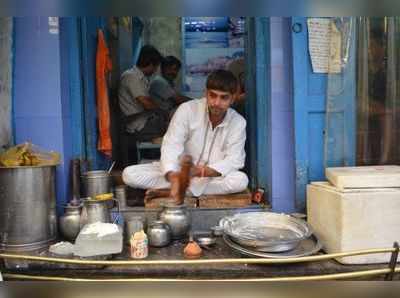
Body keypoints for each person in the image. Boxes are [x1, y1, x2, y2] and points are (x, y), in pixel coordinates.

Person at [122, 69, 249, 202]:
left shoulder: (238, 122)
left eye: (224, 97)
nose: (216, 102)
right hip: (179, 173)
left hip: (212, 176)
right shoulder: (187, 110)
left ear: (233, 98)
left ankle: (173, 191)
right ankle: (179, 187)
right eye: (213, 95)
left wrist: (200, 172)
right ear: (206, 93)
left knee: (240, 181)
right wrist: (173, 176)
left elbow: (235, 160)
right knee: (129, 175)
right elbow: (171, 145)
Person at [118, 45, 165, 166]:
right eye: (155, 67)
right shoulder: (131, 77)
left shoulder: (140, 77)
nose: (155, 71)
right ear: (150, 64)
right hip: (138, 125)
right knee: (171, 132)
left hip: (144, 121)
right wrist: (161, 111)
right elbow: (146, 103)